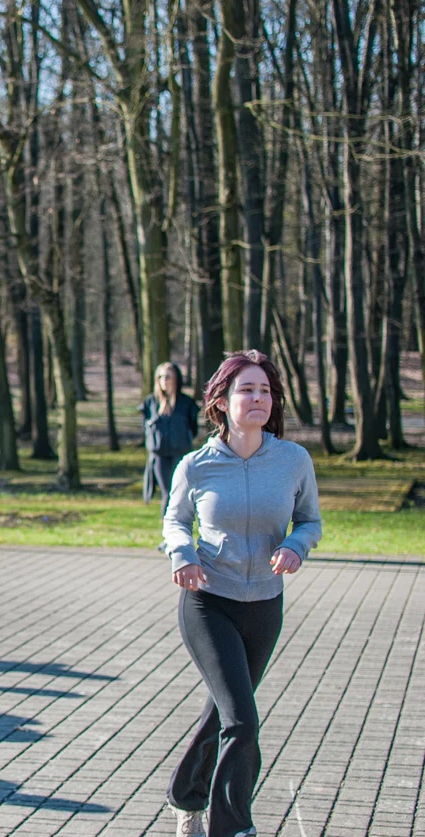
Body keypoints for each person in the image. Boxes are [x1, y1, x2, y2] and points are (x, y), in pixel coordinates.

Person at [163, 350, 322, 837]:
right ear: (221, 401)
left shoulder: (293, 460)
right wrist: (182, 555)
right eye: (246, 390)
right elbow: (174, 520)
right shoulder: (197, 465)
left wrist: (296, 545)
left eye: (265, 391)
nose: (258, 398)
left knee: (227, 713)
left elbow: (310, 520)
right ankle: (231, 828)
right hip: (208, 603)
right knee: (242, 721)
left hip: (264, 606)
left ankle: (185, 794)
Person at [141, 362, 201, 506]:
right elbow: (145, 427)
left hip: (180, 453)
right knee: (167, 491)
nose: (164, 380)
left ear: (176, 378)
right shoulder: (151, 402)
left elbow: (193, 429)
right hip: (158, 455)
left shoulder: (186, 403)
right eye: (160, 376)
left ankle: (176, 523)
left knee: (178, 490)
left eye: (168, 376)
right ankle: (167, 523)